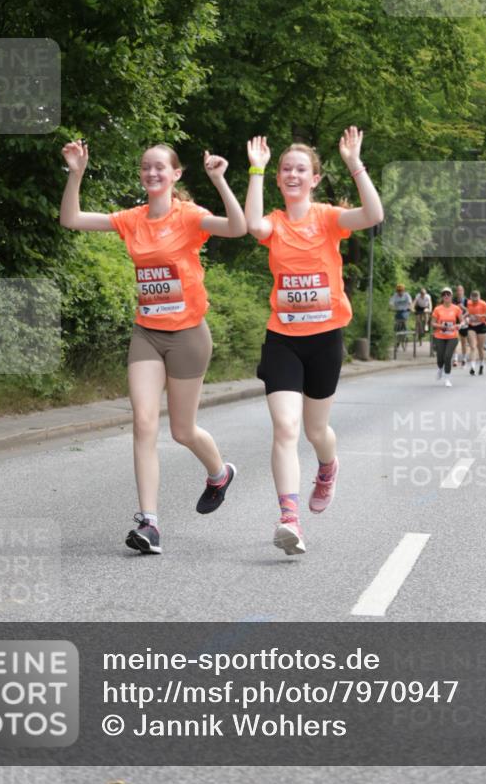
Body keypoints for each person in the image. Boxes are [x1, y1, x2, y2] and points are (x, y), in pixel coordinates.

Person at [59, 139, 247, 555]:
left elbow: (237, 228)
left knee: (182, 430)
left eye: (160, 167)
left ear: (176, 174)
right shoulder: (132, 219)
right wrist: (76, 173)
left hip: (188, 335)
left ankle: (219, 473)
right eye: (146, 167)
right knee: (144, 422)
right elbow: (71, 219)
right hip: (147, 333)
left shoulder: (190, 217)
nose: (152, 173)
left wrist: (220, 180)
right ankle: (150, 523)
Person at [245, 127, 383, 555]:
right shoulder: (276, 221)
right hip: (283, 339)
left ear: (315, 178)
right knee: (285, 427)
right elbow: (251, 226)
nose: (291, 174)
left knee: (315, 430)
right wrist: (256, 169)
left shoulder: (326, 217)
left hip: (324, 340)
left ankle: (327, 466)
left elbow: (373, 214)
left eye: (300, 169)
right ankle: (289, 518)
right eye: (285, 168)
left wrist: (355, 164)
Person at [431, 288, 462, 386]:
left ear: (451, 296)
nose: (446, 296)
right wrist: (442, 326)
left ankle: (447, 378)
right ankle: (440, 368)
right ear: (442, 297)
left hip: (452, 336)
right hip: (439, 336)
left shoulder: (456, 308)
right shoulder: (437, 309)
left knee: (448, 356)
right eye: (444, 294)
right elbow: (432, 323)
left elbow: (462, 321)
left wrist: (459, 325)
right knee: (440, 357)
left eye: (448, 294)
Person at [466, 290, 486, 375]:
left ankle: (481, 365)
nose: (475, 302)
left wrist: (482, 316)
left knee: (480, 348)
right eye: (473, 300)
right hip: (471, 326)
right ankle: (472, 367)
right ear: (471, 298)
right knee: (473, 346)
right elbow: (467, 312)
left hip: (481, 326)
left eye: (476, 300)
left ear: (479, 298)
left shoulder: (483, 304)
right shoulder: (468, 303)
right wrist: (467, 317)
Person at [453, 284, 469, 368]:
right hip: (456, 323)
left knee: (463, 342)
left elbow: (469, 311)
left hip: (464, 324)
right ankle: (455, 359)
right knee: (455, 341)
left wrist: (463, 314)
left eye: (461, 290)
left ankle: (464, 359)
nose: (459, 292)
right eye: (458, 290)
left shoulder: (466, 301)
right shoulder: (454, 301)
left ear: (463, 292)